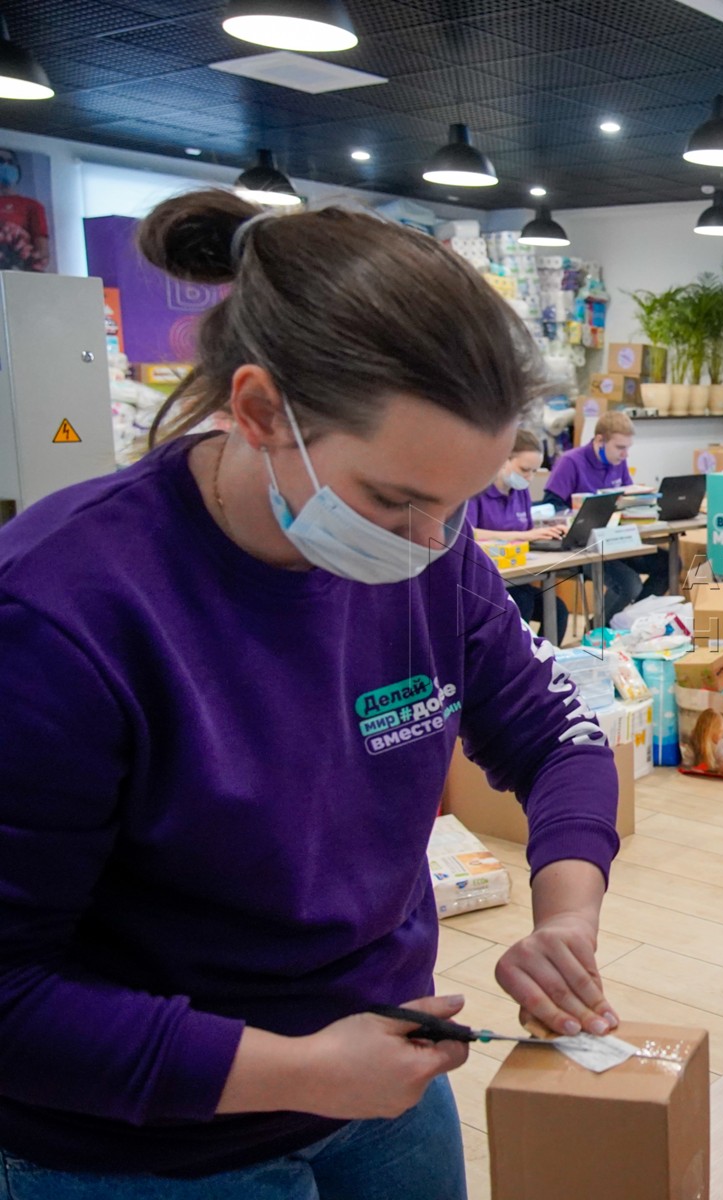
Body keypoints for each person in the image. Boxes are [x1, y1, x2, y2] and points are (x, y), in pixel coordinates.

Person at [0, 190, 623, 1197]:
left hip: (382, 1080)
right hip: (146, 1146)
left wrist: (566, 918)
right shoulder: (62, 611)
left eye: (458, 504)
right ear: (257, 412)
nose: (431, 542)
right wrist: (297, 1071)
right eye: (393, 499)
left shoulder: (438, 558)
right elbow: (12, 999)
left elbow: (557, 740)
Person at [544, 411, 667, 622]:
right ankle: (597, 629)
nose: (625, 454)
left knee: (666, 563)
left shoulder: (618, 463)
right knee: (629, 584)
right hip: (583, 547)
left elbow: (628, 496)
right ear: (600, 440)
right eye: (620, 447)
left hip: (615, 541)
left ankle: (629, 622)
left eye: (628, 448)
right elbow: (550, 507)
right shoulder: (570, 462)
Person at [469, 427, 569, 635]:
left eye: (535, 471)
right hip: (484, 581)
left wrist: (546, 532)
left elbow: (527, 531)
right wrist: (524, 536)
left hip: (517, 575)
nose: (530, 477)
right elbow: (470, 533)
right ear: (503, 460)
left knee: (558, 610)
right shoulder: (475, 489)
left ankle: (546, 665)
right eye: (525, 470)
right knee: (523, 602)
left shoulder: (520, 492)